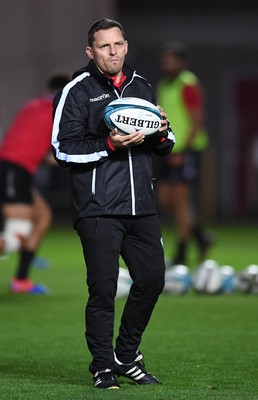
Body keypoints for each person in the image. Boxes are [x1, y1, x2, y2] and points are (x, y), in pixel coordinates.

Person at [51, 18, 175, 390]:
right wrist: (108, 145)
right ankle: (103, 367)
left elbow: (164, 144)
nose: (114, 52)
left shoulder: (141, 87)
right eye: (105, 47)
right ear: (91, 51)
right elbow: (62, 149)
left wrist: (162, 132)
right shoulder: (76, 89)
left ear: (126, 45)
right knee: (103, 290)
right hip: (98, 208)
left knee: (152, 281)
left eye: (118, 44)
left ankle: (126, 355)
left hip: (141, 206)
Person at [0, 72, 70, 294]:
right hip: (13, 170)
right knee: (14, 236)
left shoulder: (32, 106)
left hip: (12, 168)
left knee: (42, 217)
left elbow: (27, 143)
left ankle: (21, 280)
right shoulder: (58, 110)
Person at [156, 41, 213, 266]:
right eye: (165, 60)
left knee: (180, 201)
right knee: (165, 200)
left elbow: (197, 121)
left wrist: (185, 150)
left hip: (186, 151)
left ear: (182, 62)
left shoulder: (187, 84)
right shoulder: (164, 84)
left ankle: (181, 252)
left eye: (171, 60)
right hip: (168, 149)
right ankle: (200, 236)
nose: (167, 64)